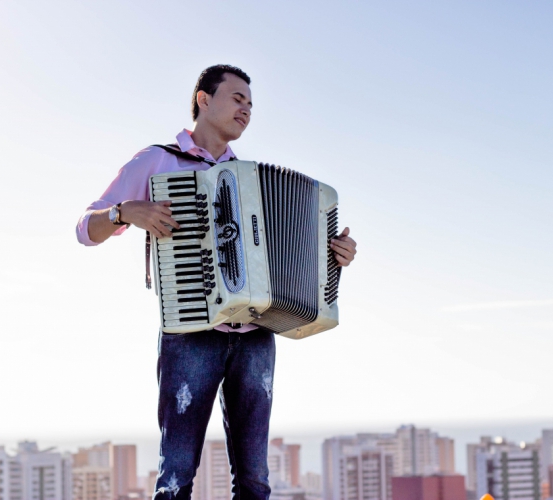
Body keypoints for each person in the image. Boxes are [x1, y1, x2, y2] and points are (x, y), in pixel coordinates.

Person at [76, 65, 357, 500]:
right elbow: (83, 229)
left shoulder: (246, 180)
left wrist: (334, 256)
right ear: (203, 100)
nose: (246, 109)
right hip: (191, 333)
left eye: (251, 104)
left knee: (255, 480)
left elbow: (288, 257)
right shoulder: (157, 160)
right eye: (237, 98)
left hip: (256, 336)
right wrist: (123, 213)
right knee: (177, 476)